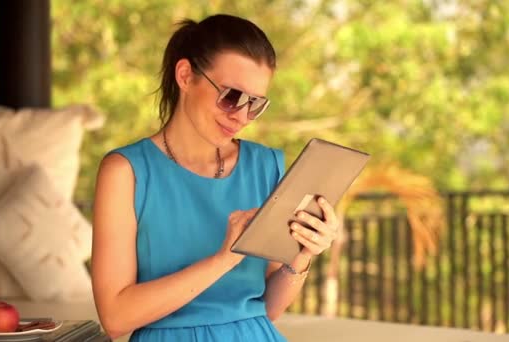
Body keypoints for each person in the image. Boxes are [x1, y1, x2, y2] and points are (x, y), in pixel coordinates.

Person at [91, 14, 339, 341]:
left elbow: (268, 309)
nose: (241, 116)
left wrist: (304, 255)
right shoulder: (126, 172)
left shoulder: (266, 166)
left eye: (256, 104)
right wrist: (224, 259)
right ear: (185, 75)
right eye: (232, 96)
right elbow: (115, 318)